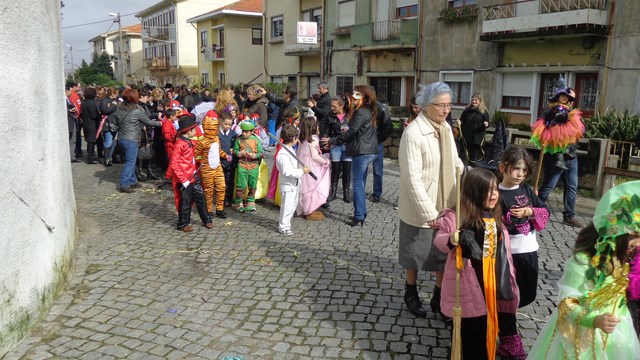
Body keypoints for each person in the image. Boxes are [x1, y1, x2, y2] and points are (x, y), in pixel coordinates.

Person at [527, 180, 640, 359]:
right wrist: (594, 320)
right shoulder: (582, 263)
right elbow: (567, 303)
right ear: (613, 233)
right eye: (634, 237)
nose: (638, 244)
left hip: (618, 334)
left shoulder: (623, 261)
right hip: (581, 337)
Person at [434, 167, 520, 360]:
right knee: (469, 335)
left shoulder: (495, 216)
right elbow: (439, 240)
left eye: (496, 189)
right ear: (474, 192)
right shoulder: (456, 216)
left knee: (484, 332)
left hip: (490, 286)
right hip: (467, 286)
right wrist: (453, 238)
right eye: (488, 190)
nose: (494, 195)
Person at [397, 82, 464, 319]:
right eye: (441, 105)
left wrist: (466, 179)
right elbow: (411, 178)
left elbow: (455, 161)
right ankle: (411, 291)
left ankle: (439, 295)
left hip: (445, 200)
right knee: (414, 252)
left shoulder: (445, 128)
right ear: (426, 106)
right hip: (420, 205)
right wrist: (429, 213)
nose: (446, 110)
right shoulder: (413, 133)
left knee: (444, 253)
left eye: (449, 105)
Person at [497, 146, 549, 358]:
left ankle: (504, 321)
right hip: (509, 253)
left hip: (529, 250)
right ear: (503, 168)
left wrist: (529, 211)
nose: (519, 174)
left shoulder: (526, 190)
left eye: (524, 170)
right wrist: (507, 219)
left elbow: (545, 211)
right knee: (508, 296)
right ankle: (509, 338)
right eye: (515, 169)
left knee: (527, 294)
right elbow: (491, 220)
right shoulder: (496, 192)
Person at [322, 85, 379, 227]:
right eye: (353, 94)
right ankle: (362, 211)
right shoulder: (369, 111)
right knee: (360, 183)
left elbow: (350, 132)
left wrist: (333, 140)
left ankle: (359, 215)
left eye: (357, 94)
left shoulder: (361, 112)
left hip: (362, 152)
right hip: (368, 150)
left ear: (364, 97)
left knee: (357, 185)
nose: (353, 97)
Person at [170, 114, 212, 232]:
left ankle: (207, 220)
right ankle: (183, 223)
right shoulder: (180, 144)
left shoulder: (189, 142)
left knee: (201, 198)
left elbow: (193, 158)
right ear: (188, 131)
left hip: (193, 175)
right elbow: (174, 163)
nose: (196, 131)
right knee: (186, 202)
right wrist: (183, 180)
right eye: (194, 129)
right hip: (185, 179)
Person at [115, 89, 162, 193]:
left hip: (121, 138)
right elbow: (148, 122)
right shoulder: (136, 111)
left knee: (129, 161)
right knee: (130, 162)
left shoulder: (119, 109)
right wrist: (161, 123)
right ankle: (124, 184)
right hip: (131, 139)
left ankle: (133, 181)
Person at [276, 124, 311, 235]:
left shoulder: (290, 150)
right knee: (287, 207)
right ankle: (283, 226)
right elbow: (287, 171)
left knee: (292, 205)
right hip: (287, 185)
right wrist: (301, 172)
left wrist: (300, 169)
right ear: (294, 138)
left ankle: (287, 223)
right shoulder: (282, 154)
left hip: (294, 183)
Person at [537, 142, 582, 228]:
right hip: (554, 156)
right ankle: (535, 210)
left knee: (572, 187)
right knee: (549, 186)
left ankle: (569, 216)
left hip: (571, 156)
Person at [195, 110, 228, 220]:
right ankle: (208, 210)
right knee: (208, 190)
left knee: (221, 187)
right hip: (207, 168)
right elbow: (196, 155)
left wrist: (225, 155)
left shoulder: (216, 139)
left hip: (217, 167)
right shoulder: (202, 142)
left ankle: (219, 209)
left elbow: (218, 151)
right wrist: (202, 162)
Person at [296, 116, 331, 219]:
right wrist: (325, 162)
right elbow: (315, 156)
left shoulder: (302, 138)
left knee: (305, 187)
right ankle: (309, 209)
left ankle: (305, 208)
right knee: (315, 186)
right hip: (311, 166)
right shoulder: (313, 138)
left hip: (303, 164)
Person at [367, 86, 393, 203]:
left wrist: (377, 139)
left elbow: (388, 127)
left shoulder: (381, 108)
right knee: (361, 169)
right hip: (364, 143)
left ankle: (377, 193)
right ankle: (359, 192)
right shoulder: (363, 107)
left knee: (377, 170)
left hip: (376, 143)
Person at [325, 95, 352, 203]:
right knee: (335, 169)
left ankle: (346, 192)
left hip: (348, 145)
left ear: (341, 106)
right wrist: (326, 142)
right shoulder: (330, 116)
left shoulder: (350, 116)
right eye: (331, 106)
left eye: (334, 106)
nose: (332, 108)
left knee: (347, 170)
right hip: (335, 145)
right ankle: (333, 192)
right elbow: (326, 130)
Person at [233, 121, 263, 212]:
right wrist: (239, 153)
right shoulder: (238, 140)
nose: (244, 133)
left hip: (254, 166)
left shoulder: (256, 140)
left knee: (252, 185)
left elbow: (261, 153)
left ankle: (250, 201)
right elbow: (234, 151)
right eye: (243, 131)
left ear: (252, 131)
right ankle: (238, 202)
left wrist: (255, 156)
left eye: (246, 132)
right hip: (242, 165)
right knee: (240, 185)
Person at [459, 92, 490, 164]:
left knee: (473, 158)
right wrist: (459, 122)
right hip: (466, 137)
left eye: (476, 100)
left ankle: (472, 171)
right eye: (473, 100)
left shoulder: (483, 111)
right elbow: (462, 120)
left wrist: (486, 124)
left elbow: (487, 122)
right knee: (463, 156)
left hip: (476, 138)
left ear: (480, 101)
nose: (474, 102)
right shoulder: (467, 110)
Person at [219, 111, 238, 208]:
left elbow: (237, 146)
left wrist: (234, 149)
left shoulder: (233, 134)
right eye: (225, 124)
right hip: (220, 161)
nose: (227, 126)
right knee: (221, 182)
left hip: (230, 162)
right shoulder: (217, 134)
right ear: (221, 122)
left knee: (230, 181)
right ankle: (220, 199)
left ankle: (228, 199)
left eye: (230, 124)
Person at [80, 87, 101, 164]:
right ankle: (90, 158)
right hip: (92, 124)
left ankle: (90, 156)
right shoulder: (91, 103)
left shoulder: (84, 102)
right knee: (91, 141)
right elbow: (93, 115)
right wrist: (100, 115)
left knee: (89, 141)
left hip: (86, 123)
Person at [99, 87, 119, 167]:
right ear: (112, 93)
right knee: (108, 141)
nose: (117, 95)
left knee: (114, 142)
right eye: (116, 93)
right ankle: (107, 159)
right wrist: (113, 106)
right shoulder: (105, 100)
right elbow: (104, 111)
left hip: (115, 123)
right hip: (107, 124)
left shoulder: (115, 101)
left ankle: (113, 157)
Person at [65, 84, 80, 163]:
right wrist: (69, 111)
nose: (71, 93)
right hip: (69, 121)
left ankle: (72, 156)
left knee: (73, 139)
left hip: (72, 119)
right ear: (66, 91)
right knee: (71, 139)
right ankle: (71, 156)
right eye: (70, 91)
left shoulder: (68, 99)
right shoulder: (64, 100)